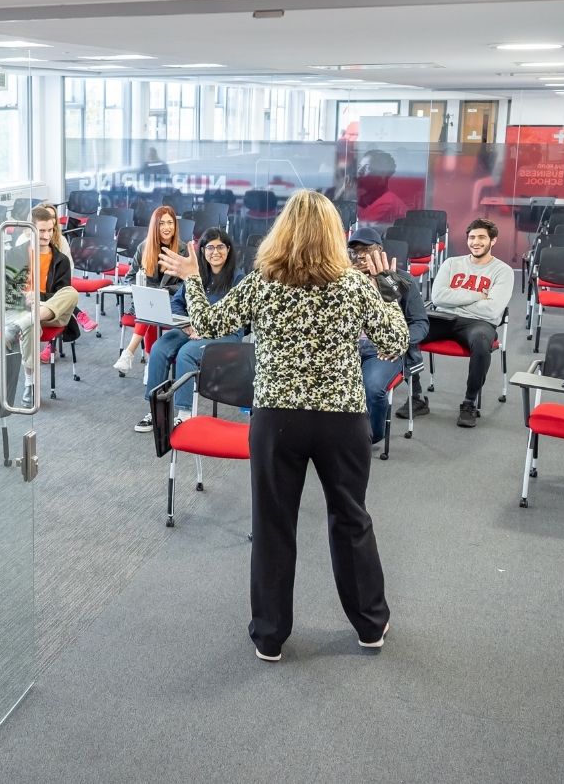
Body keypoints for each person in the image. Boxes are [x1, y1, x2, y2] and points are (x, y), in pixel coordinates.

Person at [160, 190, 407, 662]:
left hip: (276, 420)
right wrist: (388, 286)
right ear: (333, 235)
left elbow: (211, 324)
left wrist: (194, 278)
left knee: (274, 526)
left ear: (282, 232)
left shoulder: (263, 283)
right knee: (351, 519)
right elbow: (395, 342)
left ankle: (270, 636)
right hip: (342, 420)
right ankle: (370, 626)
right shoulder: (354, 285)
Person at [133, 227, 243, 433]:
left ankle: (184, 414)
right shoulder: (197, 275)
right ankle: (155, 409)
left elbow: (238, 318)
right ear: (202, 251)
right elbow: (177, 303)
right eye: (209, 247)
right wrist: (187, 325)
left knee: (186, 354)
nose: (215, 252)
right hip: (190, 328)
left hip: (225, 334)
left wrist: (205, 329)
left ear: (228, 250)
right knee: (159, 348)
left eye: (220, 246)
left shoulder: (238, 279)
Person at [407, 217, 514, 428]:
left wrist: (455, 300)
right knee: (406, 334)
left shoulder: (503, 271)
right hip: (444, 318)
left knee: (482, 344)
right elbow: (438, 298)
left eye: (482, 237)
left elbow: (492, 309)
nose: (476, 242)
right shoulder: (451, 263)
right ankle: (417, 398)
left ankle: (469, 402)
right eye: (472, 237)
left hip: (479, 323)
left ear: (493, 241)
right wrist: (477, 296)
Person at [347, 226, 429, 443]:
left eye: (367, 250)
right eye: (355, 251)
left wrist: (399, 343)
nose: (361, 256)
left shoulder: (402, 280)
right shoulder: (344, 282)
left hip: (383, 350)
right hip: (346, 347)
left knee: (373, 388)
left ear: (380, 250)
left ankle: (371, 435)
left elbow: (420, 322)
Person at [1, 204, 79, 400]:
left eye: (50, 230)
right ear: (30, 230)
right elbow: (5, 291)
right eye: (41, 230)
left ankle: (24, 321)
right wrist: (25, 299)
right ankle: (30, 384)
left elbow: (61, 294)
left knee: (71, 292)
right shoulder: (14, 254)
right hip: (24, 311)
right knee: (30, 322)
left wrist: (38, 297)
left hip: (52, 313)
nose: (46, 235)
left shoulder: (60, 260)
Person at [114, 205, 188, 374]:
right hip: (148, 300)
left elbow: (187, 283)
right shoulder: (144, 247)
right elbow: (130, 277)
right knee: (149, 308)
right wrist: (147, 291)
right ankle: (149, 361)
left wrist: (164, 290)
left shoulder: (182, 249)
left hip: (173, 299)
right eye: (162, 223)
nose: (167, 227)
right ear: (155, 226)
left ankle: (132, 353)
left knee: (149, 310)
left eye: (170, 223)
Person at [354, 149, 409, 226]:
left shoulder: (387, 203)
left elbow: (361, 229)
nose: (359, 171)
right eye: (359, 167)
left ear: (381, 175)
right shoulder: (366, 199)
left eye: (367, 168)